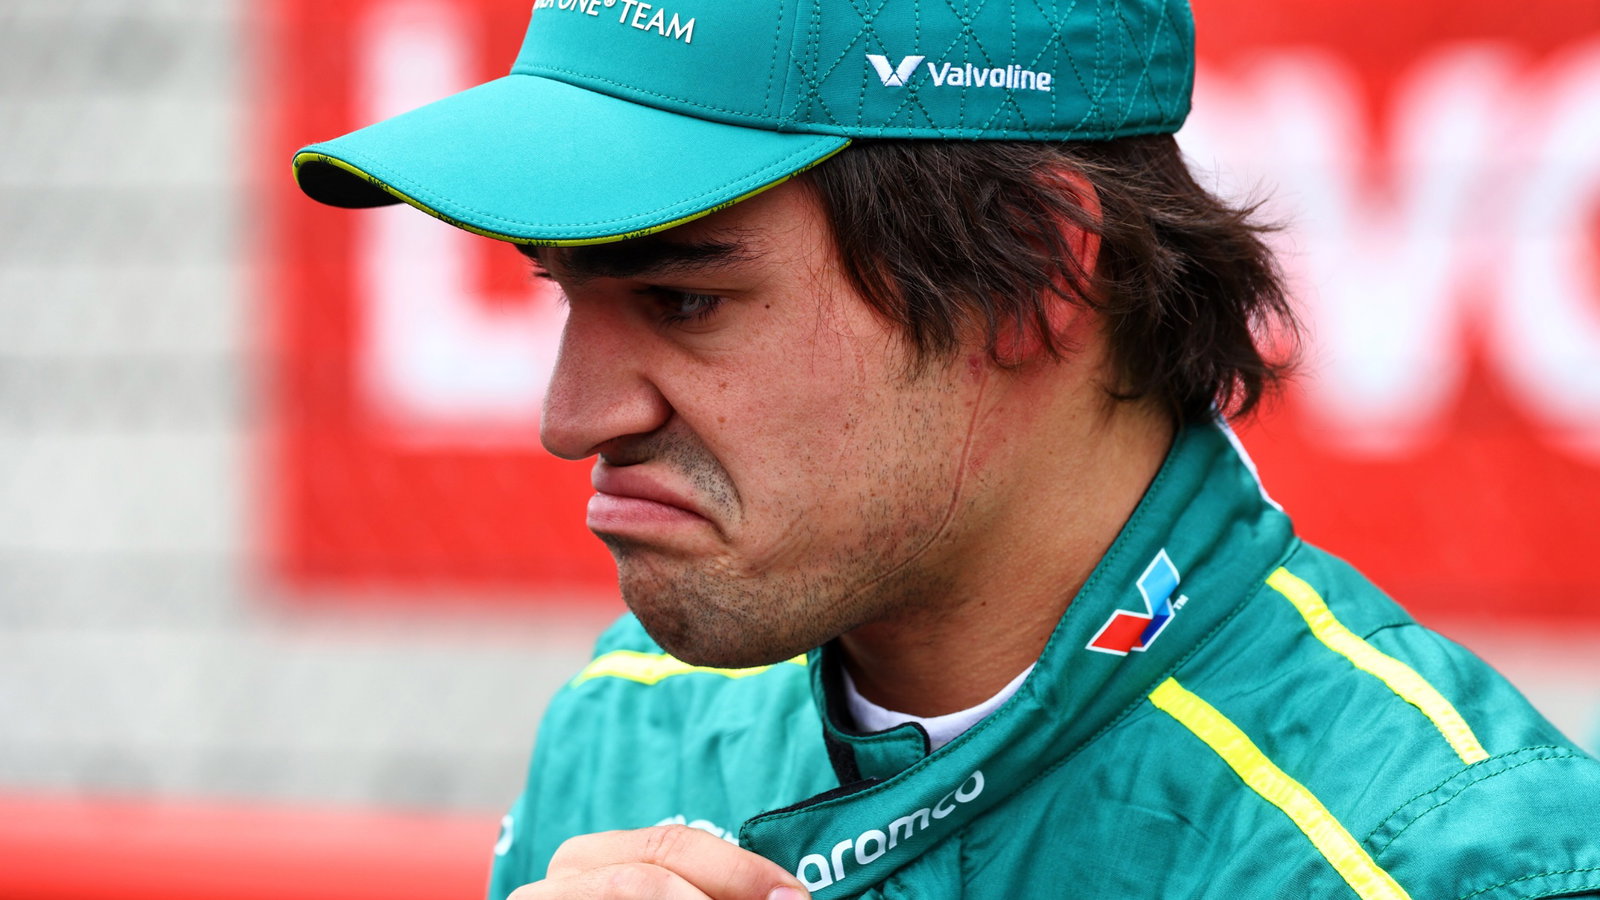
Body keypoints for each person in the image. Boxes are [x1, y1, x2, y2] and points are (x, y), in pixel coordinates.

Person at [291, 0, 1600, 897]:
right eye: (560, 293)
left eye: (683, 299)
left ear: (1036, 271)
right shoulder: (630, 724)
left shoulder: (1444, 856)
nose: (570, 418)